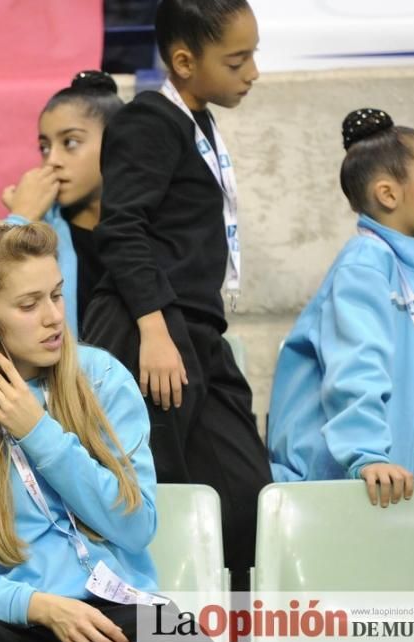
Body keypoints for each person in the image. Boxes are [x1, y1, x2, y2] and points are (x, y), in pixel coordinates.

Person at [0, 222, 222, 642]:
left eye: (57, 295)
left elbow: (136, 526)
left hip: (108, 603)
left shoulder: (102, 379)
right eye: (29, 304)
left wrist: (39, 433)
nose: (53, 317)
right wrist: (39, 606)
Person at [83, 0, 271, 596]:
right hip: (152, 332)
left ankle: (238, 637)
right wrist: (154, 330)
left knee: (246, 494)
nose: (253, 73)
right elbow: (122, 226)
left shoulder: (195, 124)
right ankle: (156, 637)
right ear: (185, 61)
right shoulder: (147, 121)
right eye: (238, 59)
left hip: (197, 335)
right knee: (155, 493)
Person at [268, 108, 414, 505]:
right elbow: (355, 367)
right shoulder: (363, 265)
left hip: (382, 478)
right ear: (388, 194)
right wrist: (366, 454)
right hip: (329, 483)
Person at [2, 71, 124, 335]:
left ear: (117, 144)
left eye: (70, 142)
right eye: (44, 147)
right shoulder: (42, 234)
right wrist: (20, 218)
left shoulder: (149, 230)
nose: (52, 160)